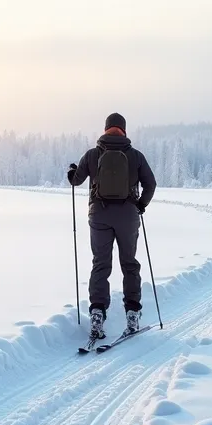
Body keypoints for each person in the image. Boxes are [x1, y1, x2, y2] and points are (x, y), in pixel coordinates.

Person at [66, 112, 157, 340]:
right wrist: (141, 205)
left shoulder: (92, 154)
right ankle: (133, 314)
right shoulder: (135, 156)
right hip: (128, 216)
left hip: (99, 216)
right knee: (129, 264)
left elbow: (76, 180)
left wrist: (71, 172)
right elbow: (151, 184)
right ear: (123, 130)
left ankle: (97, 314)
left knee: (100, 264)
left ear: (105, 129)